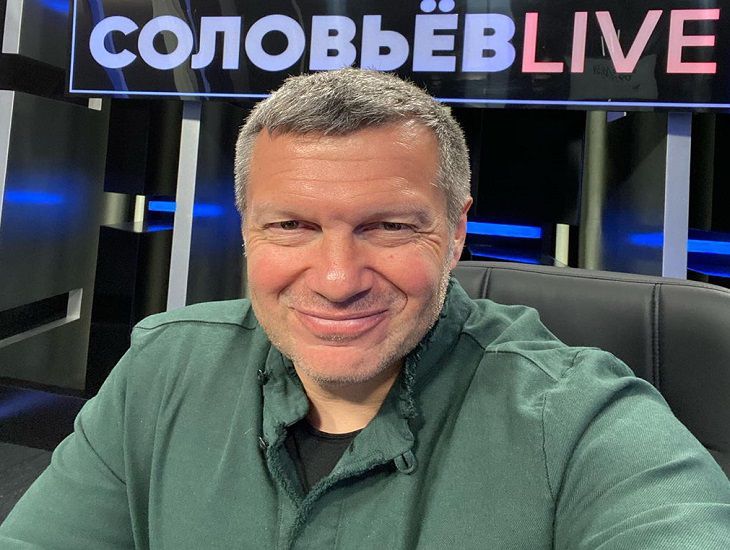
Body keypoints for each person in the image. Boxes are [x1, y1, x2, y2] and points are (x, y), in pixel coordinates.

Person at [1, 68, 729, 548]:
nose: (338, 278)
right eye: (292, 225)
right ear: (247, 228)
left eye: (389, 226)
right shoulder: (163, 368)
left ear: (456, 233)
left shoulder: (581, 421)